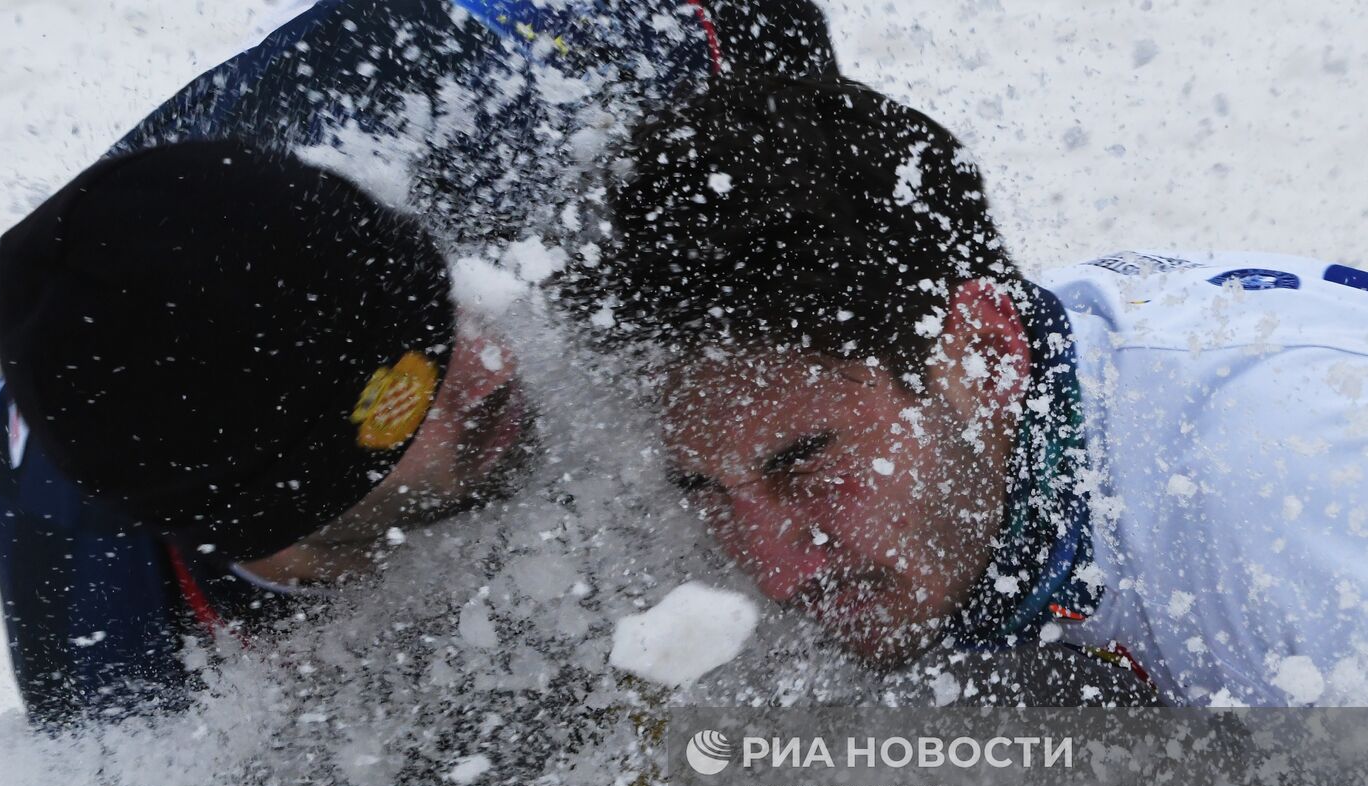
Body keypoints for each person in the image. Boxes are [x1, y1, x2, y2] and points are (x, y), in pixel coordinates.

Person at [0, 0, 839, 726]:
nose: (495, 363)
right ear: (286, 506)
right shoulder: (112, 646)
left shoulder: (510, 107)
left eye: (449, 309)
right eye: (409, 389)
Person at [584, 73, 1368, 707]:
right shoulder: (986, 400)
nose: (773, 571)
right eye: (707, 489)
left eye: (805, 461)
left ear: (985, 355)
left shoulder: (1290, 501)